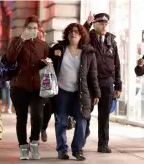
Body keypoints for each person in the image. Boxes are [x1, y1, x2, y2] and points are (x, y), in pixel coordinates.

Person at [50, 23, 101, 161]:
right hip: (61, 91)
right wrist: (54, 56)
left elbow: (93, 75)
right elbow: (47, 65)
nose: (73, 34)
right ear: (67, 34)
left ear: (81, 35)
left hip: (80, 93)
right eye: (71, 31)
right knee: (61, 121)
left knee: (82, 120)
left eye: (77, 32)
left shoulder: (88, 53)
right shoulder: (58, 48)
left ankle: (77, 149)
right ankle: (62, 149)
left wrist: (96, 93)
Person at [4, 15, 50, 160]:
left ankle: (34, 143)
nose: (32, 30)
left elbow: (48, 63)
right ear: (25, 28)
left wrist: (47, 62)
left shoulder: (42, 45)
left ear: (38, 30)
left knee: (38, 116)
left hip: (37, 87)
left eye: (35, 28)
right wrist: (21, 39)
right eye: (29, 28)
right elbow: (10, 57)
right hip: (19, 86)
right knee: (21, 118)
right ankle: (23, 148)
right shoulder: (17, 41)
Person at [84, 13, 122, 153]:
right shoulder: (89, 39)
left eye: (105, 23)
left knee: (104, 115)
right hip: (91, 82)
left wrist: (118, 85)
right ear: (95, 24)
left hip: (107, 82)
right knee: (86, 112)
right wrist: (87, 23)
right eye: (100, 23)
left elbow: (117, 64)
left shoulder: (112, 41)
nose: (104, 26)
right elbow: (81, 36)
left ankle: (103, 144)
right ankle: (84, 131)